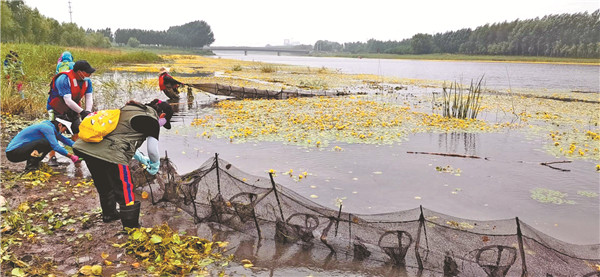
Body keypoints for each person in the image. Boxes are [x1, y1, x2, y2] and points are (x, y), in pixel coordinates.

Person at [73, 99, 174, 229]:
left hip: (87, 149)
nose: (161, 125)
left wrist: (141, 158)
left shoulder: (129, 109)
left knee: (103, 184)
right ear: (162, 115)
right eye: (163, 123)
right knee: (124, 189)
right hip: (112, 154)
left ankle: (109, 215)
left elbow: (121, 136)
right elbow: (152, 150)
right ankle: (131, 227)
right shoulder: (152, 121)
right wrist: (154, 165)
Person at [46, 60, 95, 166]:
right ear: (79, 72)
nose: (89, 74)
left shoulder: (87, 81)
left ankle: (78, 158)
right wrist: (82, 112)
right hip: (57, 108)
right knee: (54, 132)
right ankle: (52, 157)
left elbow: (89, 96)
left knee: (77, 130)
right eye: (87, 72)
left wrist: (87, 112)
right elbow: (67, 100)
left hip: (73, 108)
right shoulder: (63, 79)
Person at [5, 118, 80, 172]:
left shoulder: (52, 129)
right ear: (60, 125)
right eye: (65, 130)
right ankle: (31, 168)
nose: (64, 132)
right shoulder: (46, 128)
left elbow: (66, 140)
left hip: (20, 151)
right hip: (13, 153)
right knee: (46, 143)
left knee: (47, 143)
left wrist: (82, 148)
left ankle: (35, 164)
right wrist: (71, 156)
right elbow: (55, 146)